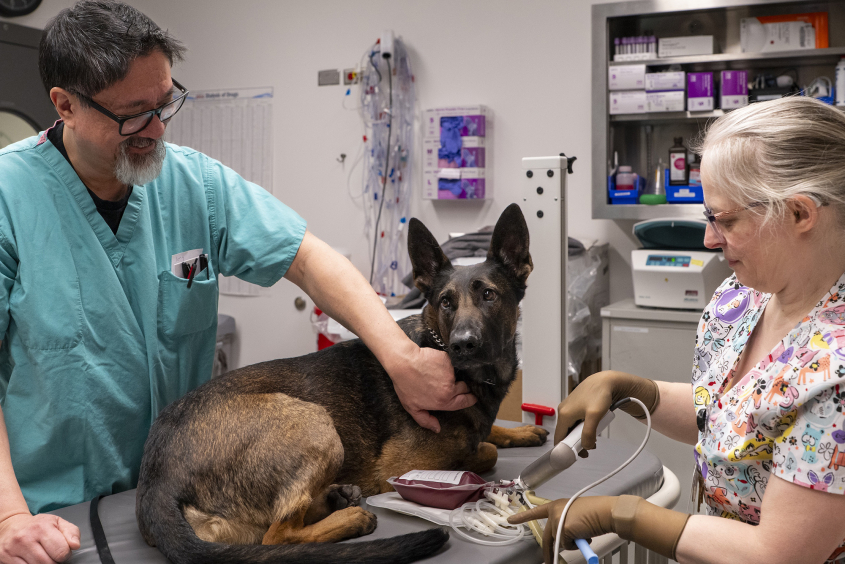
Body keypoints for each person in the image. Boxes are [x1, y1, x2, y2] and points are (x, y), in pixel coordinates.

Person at [0, 2, 476, 562]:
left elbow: (309, 259)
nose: (155, 130)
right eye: (133, 115)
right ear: (65, 105)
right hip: (53, 519)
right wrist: (9, 516)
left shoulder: (191, 182)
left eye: (165, 103)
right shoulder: (11, 199)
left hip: (192, 499)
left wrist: (401, 357)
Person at [510, 96, 845, 564]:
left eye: (725, 220)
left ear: (799, 213)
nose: (709, 239)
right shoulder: (743, 297)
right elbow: (730, 420)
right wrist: (637, 392)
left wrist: (625, 516)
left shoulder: (836, 367)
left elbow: (777, 554)